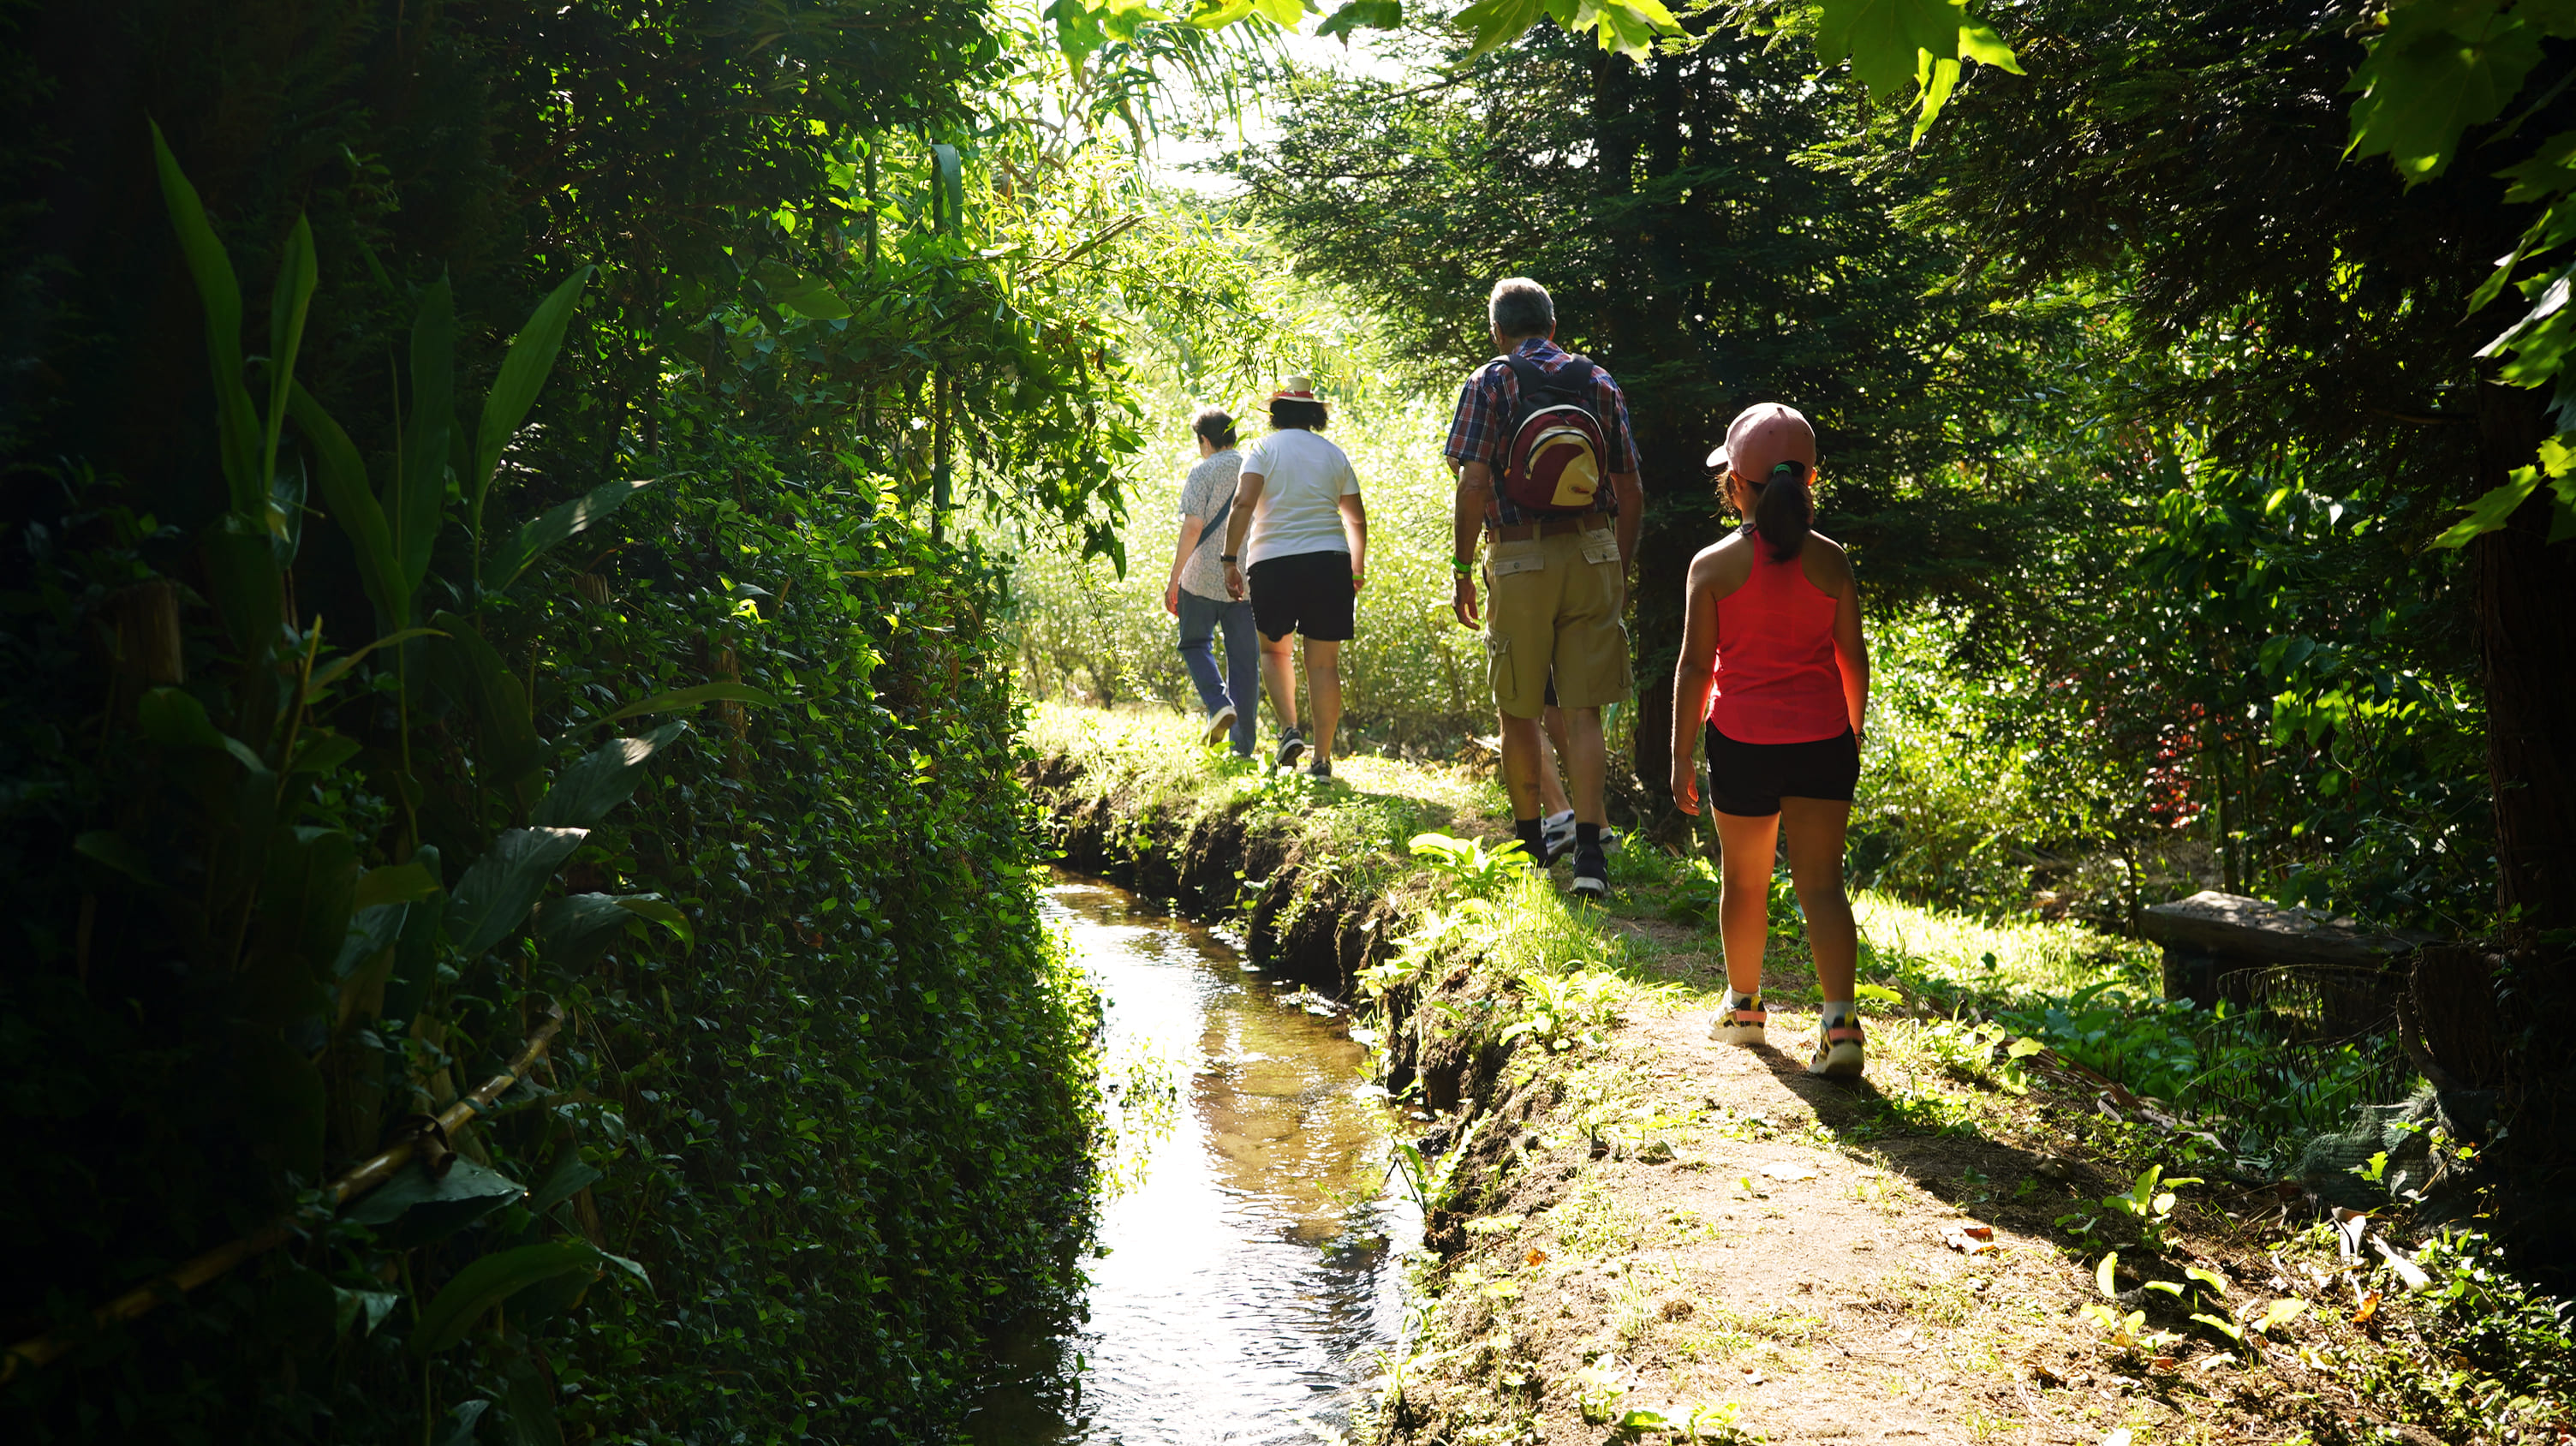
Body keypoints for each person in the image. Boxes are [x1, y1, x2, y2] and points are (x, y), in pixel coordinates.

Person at [1667, 404, 1872, 1079]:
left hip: (1742, 743)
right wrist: (1851, 733)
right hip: (1823, 740)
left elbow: (1696, 667)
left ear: (1736, 487)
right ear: (1811, 481)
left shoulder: (1714, 565)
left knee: (1745, 881)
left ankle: (1746, 1010)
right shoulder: (1833, 562)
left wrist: (1679, 754)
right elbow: (1853, 659)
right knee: (1822, 885)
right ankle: (1840, 1025)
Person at [1446, 277, 1643, 899]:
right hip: (1593, 549)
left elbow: (1473, 483)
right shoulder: (1598, 380)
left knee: (1519, 706)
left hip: (1519, 554)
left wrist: (1460, 569)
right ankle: (1591, 857)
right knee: (1585, 711)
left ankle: (1530, 847)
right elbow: (1632, 489)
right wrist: (1619, 566)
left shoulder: (1491, 380)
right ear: (1553, 327)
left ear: (1498, 331)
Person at [1219, 378, 1367, 779]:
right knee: (1323, 666)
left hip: (1273, 562)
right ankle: (1321, 760)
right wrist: (1357, 566)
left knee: (1274, 652)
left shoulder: (1263, 449)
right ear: (1314, 414)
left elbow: (1244, 502)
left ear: (1276, 413)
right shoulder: (1334, 454)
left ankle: (1289, 729)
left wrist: (1230, 558)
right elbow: (1355, 517)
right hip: (1329, 561)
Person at [1165, 407, 1258, 757]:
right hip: (1244, 577)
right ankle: (1243, 749)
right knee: (1245, 661)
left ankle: (1218, 703)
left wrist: (1174, 580)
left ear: (1205, 440)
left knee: (1193, 644)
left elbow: (1193, 527)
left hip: (1201, 576)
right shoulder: (1254, 467)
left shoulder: (1202, 470)